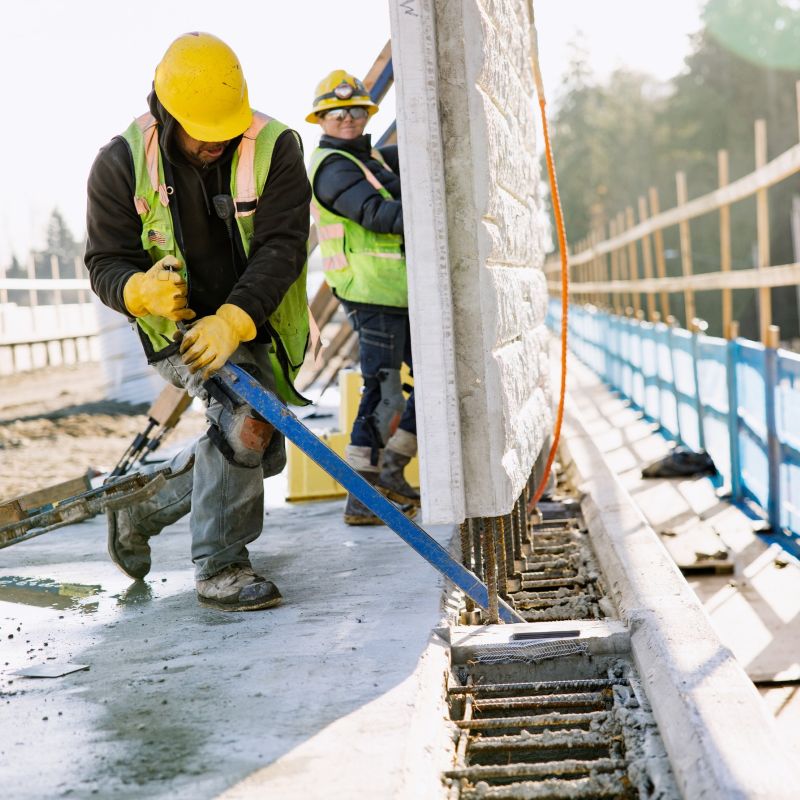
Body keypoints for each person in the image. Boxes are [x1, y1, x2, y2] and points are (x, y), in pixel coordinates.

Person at [85, 32, 311, 611]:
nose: (216, 144)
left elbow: (282, 245)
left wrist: (234, 319)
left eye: (225, 133)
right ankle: (221, 566)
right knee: (244, 424)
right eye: (201, 134)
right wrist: (137, 290)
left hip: (254, 322)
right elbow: (104, 261)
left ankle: (136, 508)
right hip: (177, 333)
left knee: (258, 450)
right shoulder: (120, 163)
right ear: (167, 111)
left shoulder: (275, 147)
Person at [307, 70, 418, 525]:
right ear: (322, 120)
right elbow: (374, 214)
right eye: (338, 114)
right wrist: (432, 212)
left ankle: (391, 470)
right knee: (384, 392)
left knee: (434, 383)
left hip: (395, 293)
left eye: (356, 111)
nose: (348, 119)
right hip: (371, 295)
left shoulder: (368, 158)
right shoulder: (332, 166)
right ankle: (362, 497)